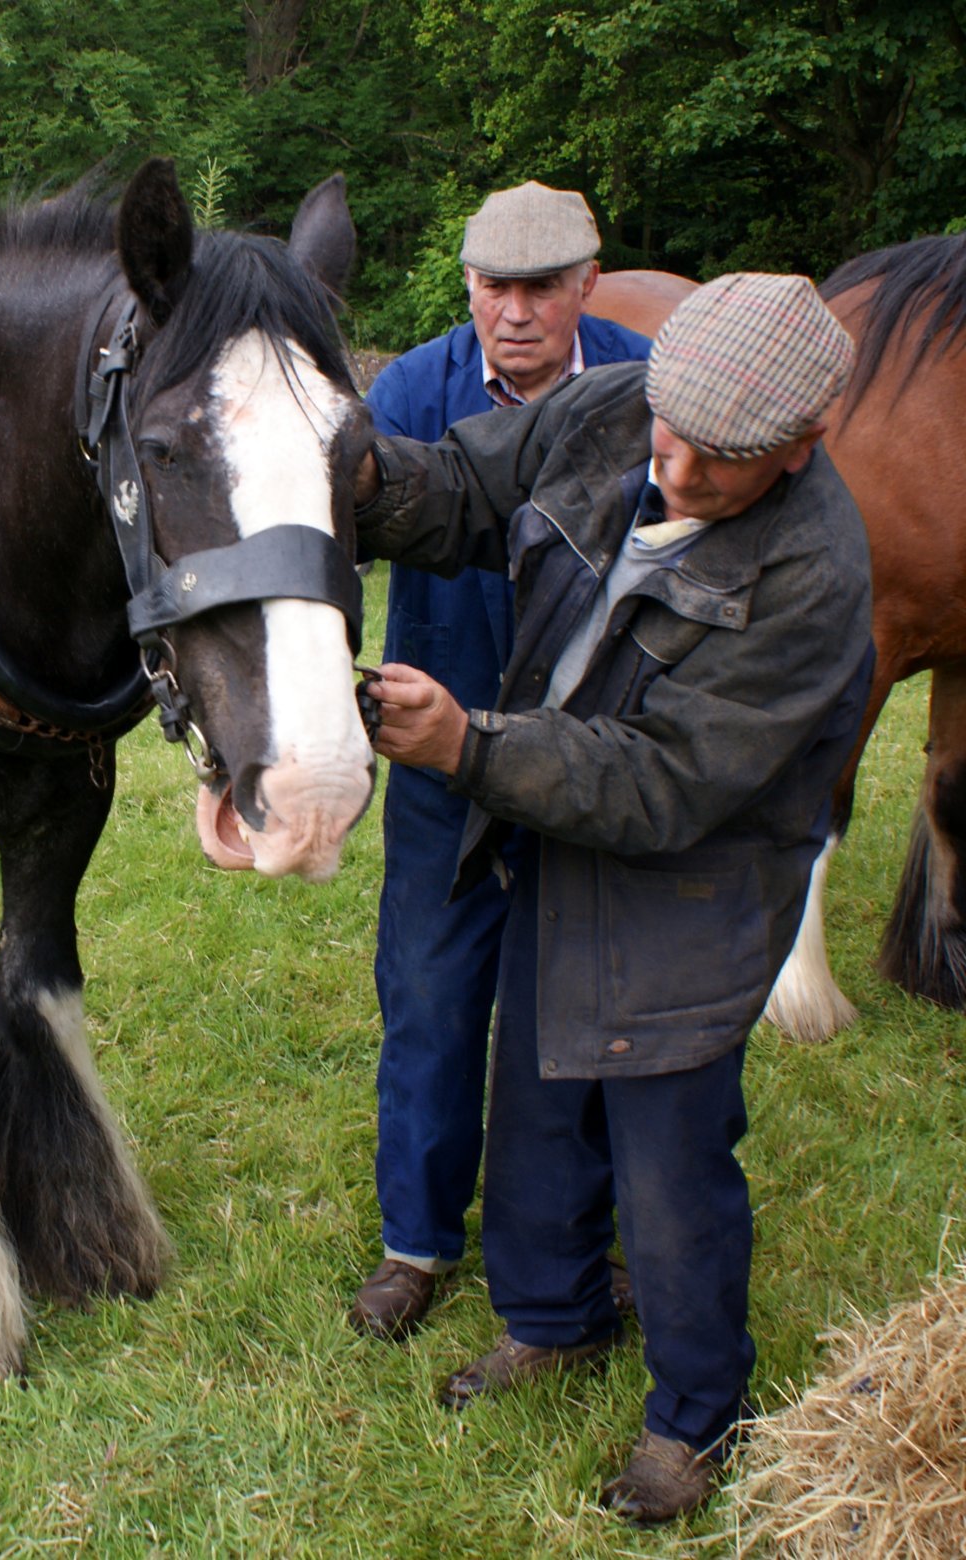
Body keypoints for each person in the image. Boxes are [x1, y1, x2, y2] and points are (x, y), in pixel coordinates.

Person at [351, 272, 873, 1523]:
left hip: (690, 889)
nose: (676, 473)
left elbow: (667, 780)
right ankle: (553, 1319)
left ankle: (694, 1415)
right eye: (668, 438)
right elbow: (470, 486)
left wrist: (468, 749)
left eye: (720, 463)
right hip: (555, 844)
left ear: (802, 447)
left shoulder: (815, 577)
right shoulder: (609, 409)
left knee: (669, 1170)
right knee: (532, 1103)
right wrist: (358, 478)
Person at [351, 182, 650, 1341]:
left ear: (586, 281)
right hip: (440, 751)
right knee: (428, 997)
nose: (514, 311)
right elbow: (337, 546)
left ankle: (593, 1236)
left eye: (541, 287)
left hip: (591, 756)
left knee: (586, 1008)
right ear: (465, 283)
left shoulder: (643, 381)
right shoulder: (407, 394)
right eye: (493, 286)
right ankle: (414, 1244)